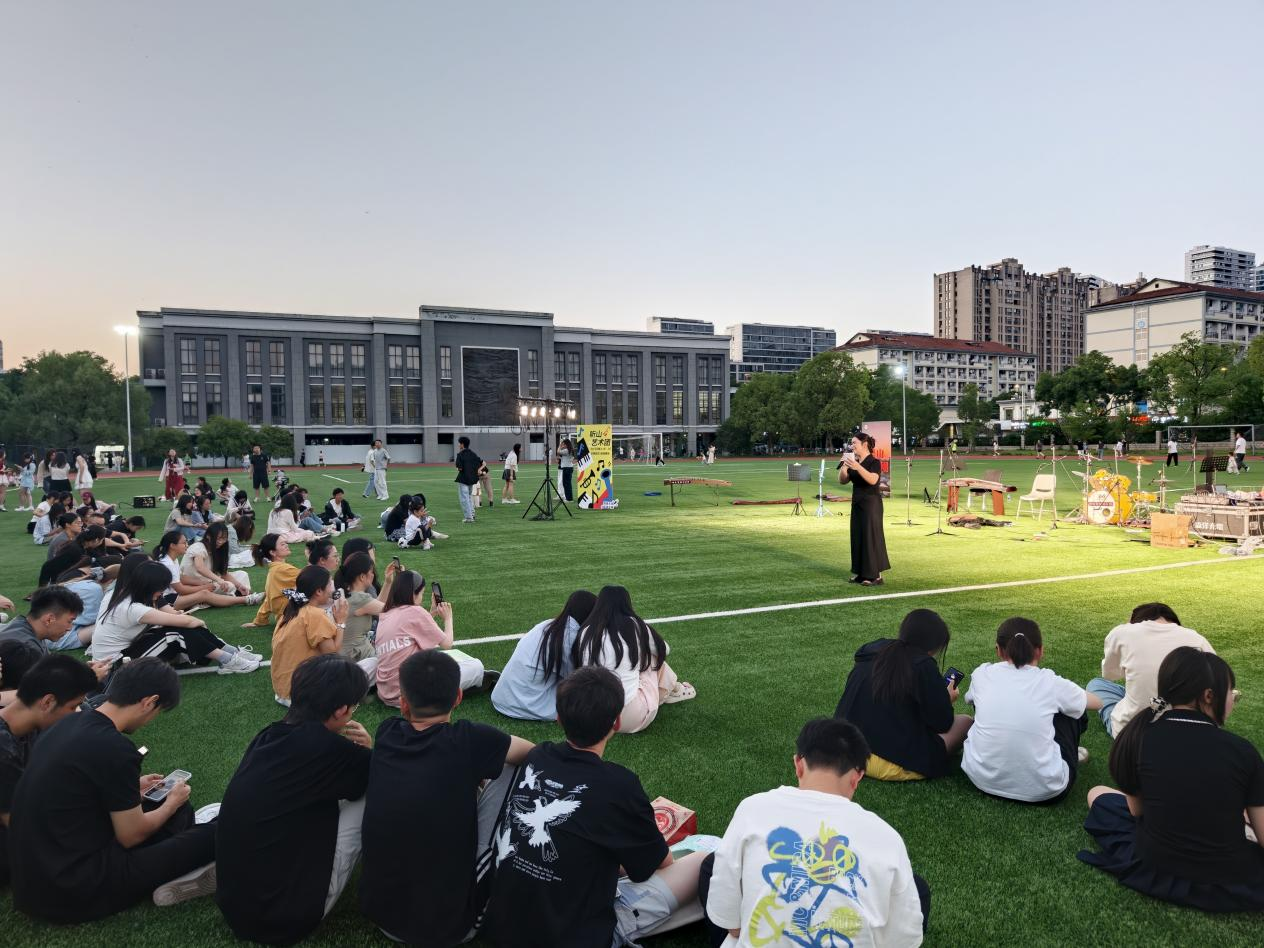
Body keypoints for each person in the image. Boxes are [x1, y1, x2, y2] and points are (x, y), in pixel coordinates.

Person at [483, 666, 706, 948]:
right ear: (617, 722)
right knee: (706, 855)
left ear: (558, 718)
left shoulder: (537, 756)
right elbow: (659, 864)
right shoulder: (620, 785)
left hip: (502, 925)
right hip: (572, 935)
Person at [8, 659, 218, 921]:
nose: (150, 720)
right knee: (212, 832)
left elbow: (76, 795)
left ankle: (179, 853)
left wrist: (134, 790)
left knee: (175, 812)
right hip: (75, 890)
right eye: (157, 711)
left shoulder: (65, 725)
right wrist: (171, 803)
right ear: (149, 702)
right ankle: (188, 869)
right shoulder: (114, 746)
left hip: (34, 883)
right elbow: (131, 835)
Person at [701, 717, 928, 947]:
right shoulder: (886, 839)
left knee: (713, 864)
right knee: (916, 888)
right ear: (857, 776)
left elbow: (732, 924)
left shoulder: (752, 809)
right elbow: (904, 941)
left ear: (798, 764)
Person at [360, 650, 535, 945]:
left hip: (382, 916)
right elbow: (532, 753)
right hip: (453, 927)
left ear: (403, 702)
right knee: (513, 769)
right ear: (458, 697)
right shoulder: (471, 738)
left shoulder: (387, 732)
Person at [1078, 647, 1264, 912]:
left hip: (1153, 866)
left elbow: (1136, 812)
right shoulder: (1242, 751)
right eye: (1231, 694)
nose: (1233, 701)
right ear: (1208, 696)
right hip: (1227, 881)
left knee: (1096, 793)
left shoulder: (1139, 736)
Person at [216, 654, 373, 944]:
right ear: (341, 710)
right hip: (285, 918)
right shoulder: (334, 751)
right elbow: (372, 778)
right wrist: (366, 752)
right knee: (370, 792)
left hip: (235, 905)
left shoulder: (267, 736)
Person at [961, 617, 1102, 804]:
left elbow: (970, 699)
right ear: (1040, 650)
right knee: (1075, 708)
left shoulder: (982, 673)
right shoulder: (1050, 682)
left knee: (982, 704)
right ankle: (1066, 755)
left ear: (998, 650)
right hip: (1047, 790)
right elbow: (1096, 703)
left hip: (980, 779)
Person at [834, 608, 973, 781]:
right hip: (889, 762)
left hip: (844, 750)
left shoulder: (870, 653)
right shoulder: (923, 665)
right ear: (935, 646)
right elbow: (942, 724)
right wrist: (946, 699)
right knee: (965, 722)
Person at [0, 655, 100, 885]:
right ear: (47, 702)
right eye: (72, 707)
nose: (76, 713)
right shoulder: (3, 749)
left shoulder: (28, 729)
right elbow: (20, 826)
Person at [91, 557, 260, 673]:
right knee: (175, 632)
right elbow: (185, 622)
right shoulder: (132, 607)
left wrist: (188, 621)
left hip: (127, 652)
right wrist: (196, 622)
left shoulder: (120, 594)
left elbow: (174, 617)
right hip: (116, 666)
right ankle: (229, 660)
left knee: (178, 626)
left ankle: (231, 654)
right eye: (160, 588)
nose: (161, 592)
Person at [570, 584, 693, 734]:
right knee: (651, 657)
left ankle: (673, 689)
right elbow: (664, 650)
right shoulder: (634, 625)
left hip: (593, 715)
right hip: (629, 717)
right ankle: (674, 689)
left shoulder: (586, 631)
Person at [1086, 602, 1215, 738]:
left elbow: (1110, 674)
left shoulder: (1123, 632)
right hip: (1190, 728)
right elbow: (1217, 684)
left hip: (1133, 731)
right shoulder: (1197, 639)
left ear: (1133, 622)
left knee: (1097, 684)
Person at [374, 569, 486, 706]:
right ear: (413, 594)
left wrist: (430, 614)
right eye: (421, 593)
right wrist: (448, 618)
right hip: (412, 694)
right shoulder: (415, 611)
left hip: (386, 693)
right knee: (476, 666)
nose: (421, 598)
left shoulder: (386, 613)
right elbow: (447, 644)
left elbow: (411, 629)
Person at [491, 589, 596, 721]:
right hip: (524, 705)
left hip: (502, 697)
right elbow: (577, 682)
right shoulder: (571, 637)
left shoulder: (547, 624)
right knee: (586, 703)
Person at [269, 566, 353, 704]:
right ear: (319, 591)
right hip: (301, 694)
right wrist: (341, 622)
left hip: (283, 691)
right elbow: (332, 652)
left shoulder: (292, 609)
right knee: (356, 671)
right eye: (330, 584)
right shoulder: (314, 614)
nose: (333, 588)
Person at [153, 530, 253, 611]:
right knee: (204, 594)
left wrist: (201, 583)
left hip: (176, 593)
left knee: (240, 575)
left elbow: (181, 578)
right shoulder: (168, 563)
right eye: (183, 543)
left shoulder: (172, 559)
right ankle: (245, 599)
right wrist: (204, 587)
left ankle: (240, 597)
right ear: (172, 545)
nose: (187, 545)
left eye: (224, 538)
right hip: (165, 599)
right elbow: (181, 589)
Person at [838, 431, 890, 586]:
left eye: (854, 443)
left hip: (871, 505)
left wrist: (857, 467)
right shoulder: (854, 461)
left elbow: (873, 480)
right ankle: (861, 574)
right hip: (857, 504)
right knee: (858, 537)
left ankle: (875, 576)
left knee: (870, 538)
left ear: (864, 444)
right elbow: (843, 481)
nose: (851, 445)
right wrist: (844, 467)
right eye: (851, 443)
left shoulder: (874, 462)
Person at [334, 552, 399, 669]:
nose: (373, 575)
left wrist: (388, 582)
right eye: (371, 571)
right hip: (358, 657)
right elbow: (395, 612)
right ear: (362, 577)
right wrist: (403, 583)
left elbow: (376, 605)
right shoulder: (360, 599)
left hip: (345, 655)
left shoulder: (348, 594)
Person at [0, 585, 90, 668]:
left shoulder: (26, 626)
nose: (69, 628)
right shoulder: (25, 649)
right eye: (69, 621)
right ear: (49, 619)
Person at [182, 522, 256, 600]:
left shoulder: (219, 550)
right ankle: (232, 597)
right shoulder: (198, 547)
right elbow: (200, 567)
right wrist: (219, 580)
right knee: (229, 586)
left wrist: (240, 586)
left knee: (242, 574)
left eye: (224, 538)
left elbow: (223, 574)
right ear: (208, 536)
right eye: (218, 538)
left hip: (211, 580)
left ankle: (240, 593)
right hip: (196, 584)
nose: (221, 542)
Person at [244, 533, 301, 629]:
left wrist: (259, 621)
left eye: (285, 543)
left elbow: (269, 599)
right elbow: (314, 578)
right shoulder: (283, 569)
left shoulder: (274, 570)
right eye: (282, 544)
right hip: (294, 617)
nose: (286, 545)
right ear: (273, 552)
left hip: (286, 618)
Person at [455, 436, 482, 523]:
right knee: (469, 497)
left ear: (462, 444)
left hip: (463, 478)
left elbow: (460, 468)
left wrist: (459, 468)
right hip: (472, 479)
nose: (459, 445)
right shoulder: (473, 454)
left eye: (459, 443)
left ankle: (468, 517)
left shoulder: (460, 455)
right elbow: (481, 463)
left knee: (464, 498)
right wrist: (477, 470)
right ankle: (472, 514)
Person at [557, 437, 576, 501]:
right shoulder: (569, 450)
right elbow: (567, 458)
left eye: (564, 444)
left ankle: (569, 499)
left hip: (567, 468)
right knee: (567, 484)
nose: (563, 445)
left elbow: (558, 452)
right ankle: (569, 498)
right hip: (569, 468)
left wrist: (560, 445)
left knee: (566, 484)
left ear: (566, 444)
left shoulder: (566, 450)